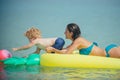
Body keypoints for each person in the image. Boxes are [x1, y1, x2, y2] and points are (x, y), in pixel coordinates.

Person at [46, 23, 120, 58]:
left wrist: (53, 50)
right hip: (109, 51)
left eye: (66, 31)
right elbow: (65, 50)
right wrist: (52, 47)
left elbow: (66, 54)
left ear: (71, 33)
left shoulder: (79, 40)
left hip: (109, 52)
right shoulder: (75, 43)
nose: (64, 33)